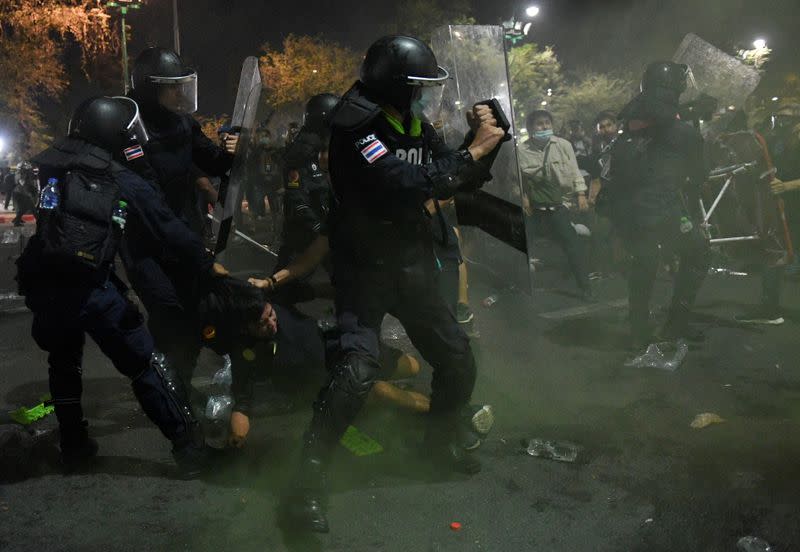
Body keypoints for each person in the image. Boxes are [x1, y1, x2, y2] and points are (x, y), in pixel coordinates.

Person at [280, 35, 505, 533]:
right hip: (364, 268)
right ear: (398, 86)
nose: (429, 98)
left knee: (456, 357)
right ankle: (305, 484)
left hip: (411, 262)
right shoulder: (356, 124)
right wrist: (472, 153)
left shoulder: (415, 123)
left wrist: (487, 143)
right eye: (422, 88)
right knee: (357, 370)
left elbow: (455, 178)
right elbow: (405, 182)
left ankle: (435, 445)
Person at [15, 96, 223, 474]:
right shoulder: (118, 176)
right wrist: (207, 264)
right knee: (145, 365)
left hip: (47, 283)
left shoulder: (52, 165)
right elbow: (168, 226)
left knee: (63, 362)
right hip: (90, 286)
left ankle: (74, 445)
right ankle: (189, 450)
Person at [125, 46, 237, 391]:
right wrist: (200, 257)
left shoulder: (184, 124)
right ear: (149, 88)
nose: (179, 93)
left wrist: (235, 150)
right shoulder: (130, 132)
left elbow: (215, 162)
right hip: (146, 242)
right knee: (168, 312)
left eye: (180, 85)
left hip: (182, 230)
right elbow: (152, 208)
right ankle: (163, 386)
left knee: (193, 311)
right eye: (170, 86)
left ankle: (179, 385)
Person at [604, 61, 710, 348]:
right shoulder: (684, 132)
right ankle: (677, 323)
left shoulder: (630, 128)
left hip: (631, 213)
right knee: (698, 254)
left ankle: (640, 332)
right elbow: (700, 175)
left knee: (643, 267)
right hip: (665, 211)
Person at [518, 109, 593, 300]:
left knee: (572, 246)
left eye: (547, 123)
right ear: (530, 128)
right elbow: (517, 180)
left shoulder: (563, 145)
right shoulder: (521, 150)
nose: (544, 127)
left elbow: (575, 171)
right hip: (534, 210)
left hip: (559, 207)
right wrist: (523, 197)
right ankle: (519, 288)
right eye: (539, 124)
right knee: (521, 247)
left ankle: (586, 287)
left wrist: (581, 194)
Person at [276, 93, 339, 291]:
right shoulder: (301, 154)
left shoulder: (325, 146)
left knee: (346, 285)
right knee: (284, 287)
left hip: (325, 231)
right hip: (302, 234)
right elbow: (296, 198)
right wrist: (320, 227)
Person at [11, 162, 38, 226]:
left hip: (20, 192)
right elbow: (22, 183)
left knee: (24, 208)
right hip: (22, 193)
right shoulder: (22, 173)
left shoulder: (19, 173)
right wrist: (28, 193)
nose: (29, 168)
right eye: (27, 167)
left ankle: (16, 220)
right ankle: (40, 221)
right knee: (31, 208)